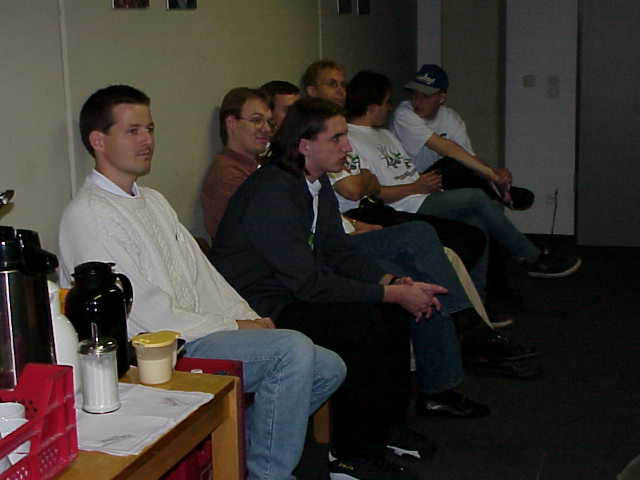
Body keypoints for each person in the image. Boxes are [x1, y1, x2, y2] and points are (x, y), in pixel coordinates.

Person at [58, 85, 346, 480]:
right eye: (133, 131)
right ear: (98, 140)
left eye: (150, 129)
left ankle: (240, 452)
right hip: (158, 349)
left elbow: (203, 276)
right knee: (292, 352)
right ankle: (268, 474)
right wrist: (233, 326)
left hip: (197, 329)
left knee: (328, 366)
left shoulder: (153, 200)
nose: (147, 140)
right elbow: (144, 312)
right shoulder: (88, 214)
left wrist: (249, 318)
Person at [210, 96, 492, 480]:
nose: (347, 146)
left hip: (290, 290)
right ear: (304, 145)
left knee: (389, 313)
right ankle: (349, 456)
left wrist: (392, 283)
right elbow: (309, 283)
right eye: (337, 138)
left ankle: (384, 428)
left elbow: (338, 251)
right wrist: (390, 293)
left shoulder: (315, 182)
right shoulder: (272, 192)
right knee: (359, 326)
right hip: (260, 305)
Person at [333, 70, 582, 284]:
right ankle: (530, 256)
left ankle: (478, 303)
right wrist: (418, 186)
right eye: (387, 102)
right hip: (407, 203)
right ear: (373, 106)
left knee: (478, 224)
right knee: (475, 197)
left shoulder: (386, 134)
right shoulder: (351, 138)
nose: (390, 107)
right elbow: (376, 194)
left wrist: (486, 174)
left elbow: (458, 154)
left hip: (424, 192)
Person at [391, 64, 534, 210]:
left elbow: (468, 158)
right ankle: (498, 196)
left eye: (425, 96)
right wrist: (493, 176)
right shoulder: (404, 113)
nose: (417, 101)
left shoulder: (451, 118)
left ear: (442, 98)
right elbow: (446, 148)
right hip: (411, 182)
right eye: (415, 95)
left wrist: (495, 175)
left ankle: (497, 192)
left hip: (436, 181)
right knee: (452, 162)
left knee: (465, 166)